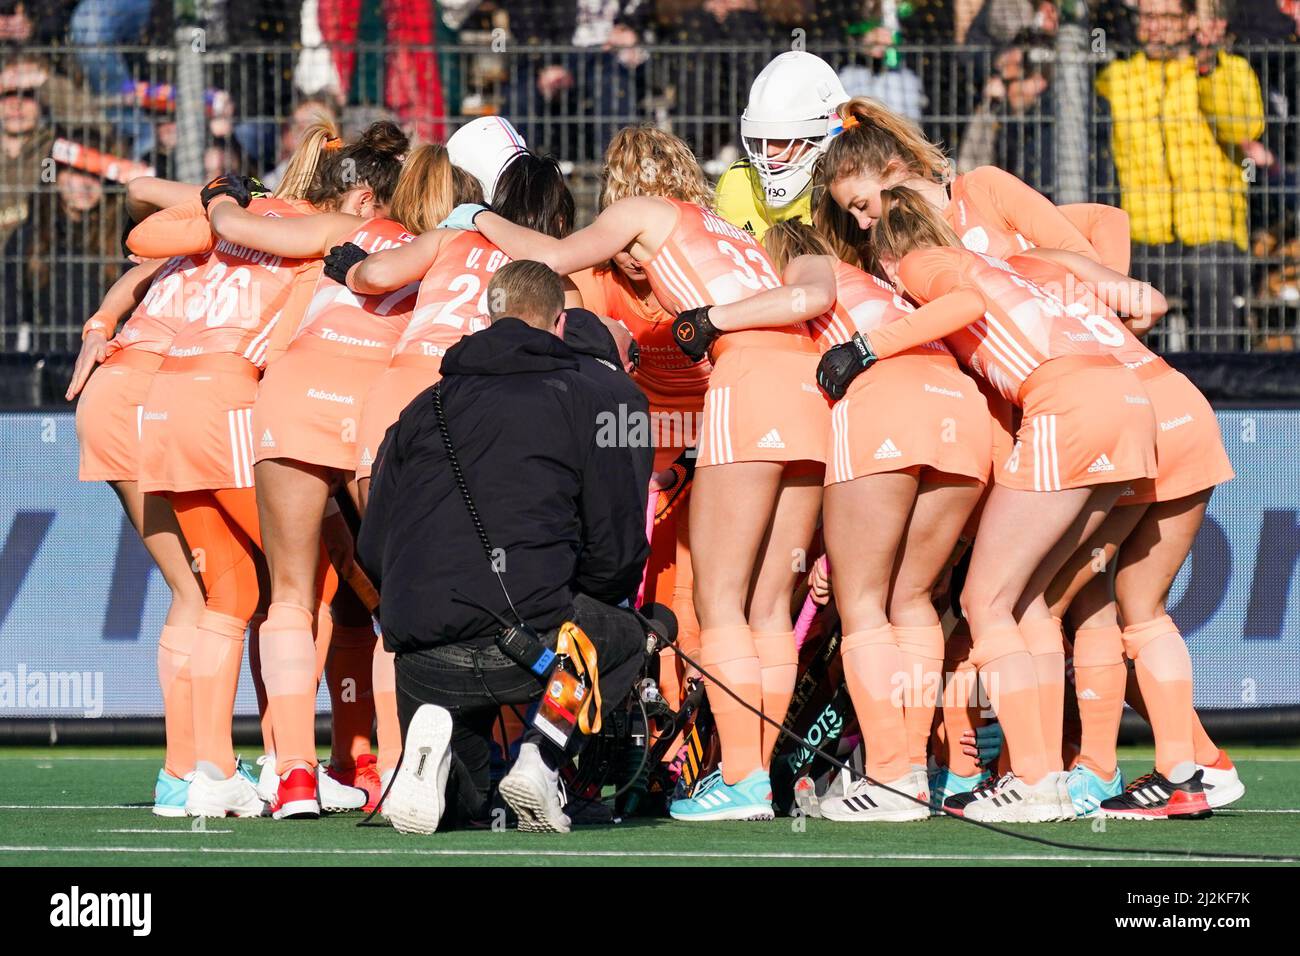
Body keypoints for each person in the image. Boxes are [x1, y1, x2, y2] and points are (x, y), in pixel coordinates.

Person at [464, 126, 830, 822]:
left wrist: (477, 216)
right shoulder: (731, 232)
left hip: (741, 394)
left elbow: (546, 258)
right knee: (767, 607)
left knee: (713, 603)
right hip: (805, 391)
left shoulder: (642, 214)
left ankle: (743, 780)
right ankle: (746, 774)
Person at [836, 186, 1161, 822]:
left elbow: (962, 302)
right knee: (1027, 602)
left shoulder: (919, 260)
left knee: (983, 602)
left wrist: (868, 347)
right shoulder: (1002, 262)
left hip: (1065, 404)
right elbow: (1144, 301)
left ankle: (1035, 779)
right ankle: (1045, 775)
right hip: (1125, 400)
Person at [126, 122, 398, 820]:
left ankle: (204, 770)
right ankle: (290, 765)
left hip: (164, 398)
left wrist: (219, 205)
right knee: (304, 584)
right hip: (233, 398)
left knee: (229, 590)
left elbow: (140, 231)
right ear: (362, 197)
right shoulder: (329, 228)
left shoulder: (247, 216)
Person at [706, 219, 994, 821]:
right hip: (960, 411)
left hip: (886, 406)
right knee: (912, 598)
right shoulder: (882, 287)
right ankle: (911, 769)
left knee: (862, 602)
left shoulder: (805, 275)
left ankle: (890, 777)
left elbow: (799, 310)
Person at [358, 261, 650, 834]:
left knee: (469, 810)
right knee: (623, 635)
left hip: (421, 655)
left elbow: (373, 544)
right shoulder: (610, 397)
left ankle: (429, 751)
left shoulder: (422, 406)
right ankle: (541, 756)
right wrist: (576, 599)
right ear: (560, 323)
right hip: (531, 643)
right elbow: (618, 553)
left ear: (487, 318)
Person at [202, 122, 426, 810]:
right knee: (397, 601)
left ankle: (293, 774)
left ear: (365, 194)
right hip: (372, 399)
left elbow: (241, 229)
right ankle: (391, 772)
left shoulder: (333, 228)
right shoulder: (441, 246)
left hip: (295, 389)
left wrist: (218, 197)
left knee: (291, 596)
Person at [1018, 248, 1241, 818]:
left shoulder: (986, 270)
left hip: (1130, 419)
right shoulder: (1041, 256)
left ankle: (1053, 776)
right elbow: (1150, 303)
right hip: (1180, 402)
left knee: (1043, 599)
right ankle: (1191, 770)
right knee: (1140, 607)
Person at [340, 149, 570, 505]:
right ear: (557, 223)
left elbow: (377, 274)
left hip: (402, 381)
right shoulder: (555, 282)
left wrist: (351, 271)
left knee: (382, 544)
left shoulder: (449, 238)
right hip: (473, 393)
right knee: (453, 536)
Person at [67, 254, 208, 816]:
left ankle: (184, 771)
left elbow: (136, 260)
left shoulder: (192, 239)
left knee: (192, 592)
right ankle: (239, 765)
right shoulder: (274, 239)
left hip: (111, 395)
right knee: (235, 595)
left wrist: (100, 325)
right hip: (168, 403)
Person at [1095, 0, 1264, 350]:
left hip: (1214, 237)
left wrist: (1207, 68)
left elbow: (1246, 126)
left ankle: (1222, 383)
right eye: (1147, 17)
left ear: (1189, 22)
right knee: (1120, 286)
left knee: (1209, 276)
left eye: (1165, 17)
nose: (1154, 27)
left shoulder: (1228, 70)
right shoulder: (1117, 78)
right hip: (1144, 238)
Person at [715, 51, 849, 239]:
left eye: (784, 139)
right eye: (760, 138)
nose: (768, 151)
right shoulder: (737, 182)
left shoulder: (846, 188)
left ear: (825, 134)